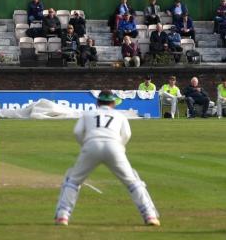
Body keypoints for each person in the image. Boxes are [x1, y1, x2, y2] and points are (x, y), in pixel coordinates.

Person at [54, 90, 160, 227]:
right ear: (113, 103)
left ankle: (63, 216)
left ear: (98, 102)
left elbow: (77, 132)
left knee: (73, 181)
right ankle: (149, 215)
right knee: (132, 182)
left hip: (91, 145)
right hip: (114, 146)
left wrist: (86, 145)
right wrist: (119, 146)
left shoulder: (88, 113)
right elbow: (127, 134)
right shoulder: (119, 115)